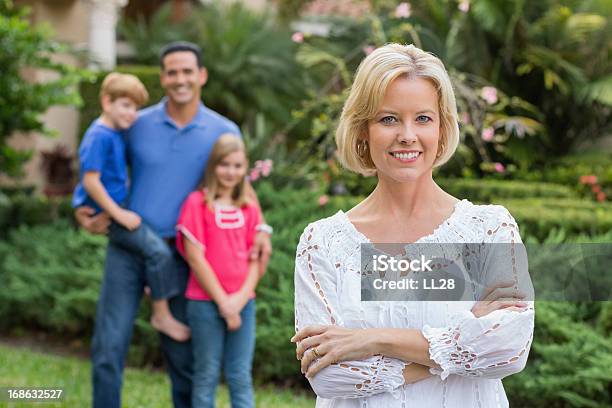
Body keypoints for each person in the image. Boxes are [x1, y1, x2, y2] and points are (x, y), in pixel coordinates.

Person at [291, 43, 534, 407]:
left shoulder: (490, 228)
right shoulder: (322, 243)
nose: (407, 135)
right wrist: (462, 347)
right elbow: (329, 375)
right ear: (362, 131)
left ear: (441, 129)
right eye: (388, 119)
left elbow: (509, 349)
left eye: (423, 118)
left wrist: (373, 340)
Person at [75, 42, 272, 408]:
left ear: (201, 76)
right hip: (131, 247)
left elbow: (241, 187)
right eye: (171, 72)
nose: (179, 79)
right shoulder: (136, 123)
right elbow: (99, 164)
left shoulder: (222, 129)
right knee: (109, 344)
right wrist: (85, 209)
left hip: (185, 255)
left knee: (182, 357)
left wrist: (263, 230)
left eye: (187, 71)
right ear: (163, 77)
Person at [72, 72, 190, 342]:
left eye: (135, 108)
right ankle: (161, 314)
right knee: (159, 253)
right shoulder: (99, 136)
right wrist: (119, 214)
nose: (132, 114)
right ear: (106, 102)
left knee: (156, 255)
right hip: (108, 214)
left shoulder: (115, 132)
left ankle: (155, 286)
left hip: (113, 210)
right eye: (125, 105)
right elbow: (90, 182)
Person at [176, 134, 263, 408]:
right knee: (206, 375)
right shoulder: (197, 204)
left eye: (237, 166)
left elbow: (257, 258)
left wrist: (239, 299)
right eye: (224, 165)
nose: (231, 172)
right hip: (204, 303)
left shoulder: (249, 208)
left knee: (239, 375)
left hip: (244, 303)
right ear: (213, 166)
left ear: (245, 169)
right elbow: (195, 257)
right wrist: (224, 303)